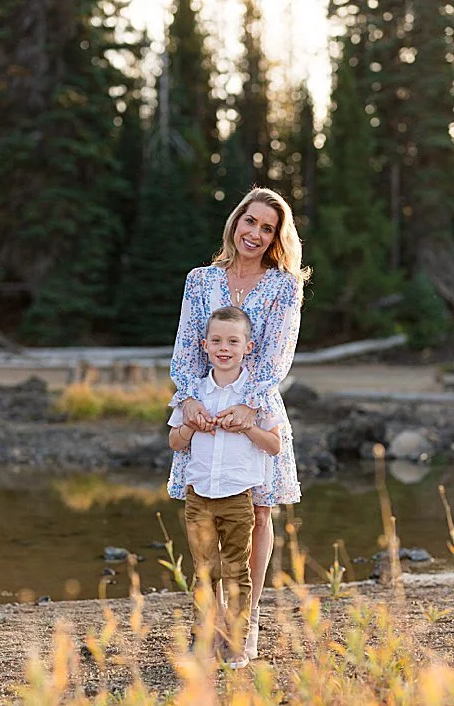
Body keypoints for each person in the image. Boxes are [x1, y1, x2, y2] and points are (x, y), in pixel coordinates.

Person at [167, 187, 309, 662]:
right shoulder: (200, 280)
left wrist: (249, 405)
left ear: (276, 237)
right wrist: (188, 397)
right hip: (205, 406)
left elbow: (278, 355)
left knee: (259, 512)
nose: (256, 233)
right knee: (206, 512)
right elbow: (187, 344)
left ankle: (245, 624)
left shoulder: (284, 286)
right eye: (250, 221)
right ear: (236, 222)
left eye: (268, 228)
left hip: (257, 408)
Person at [167, 306, 283, 670]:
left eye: (233, 342)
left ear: (248, 347)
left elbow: (274, 445)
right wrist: (191, 425)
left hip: (237, 496)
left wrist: (247, 426)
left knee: (236, 571)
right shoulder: (193, 394)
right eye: (216, 341)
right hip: (198, 496)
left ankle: (237, 643)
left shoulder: (256, 396)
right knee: (204, 571)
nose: (224, 348)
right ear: (204, 346)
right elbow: (174, 441)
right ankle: (206, 637)